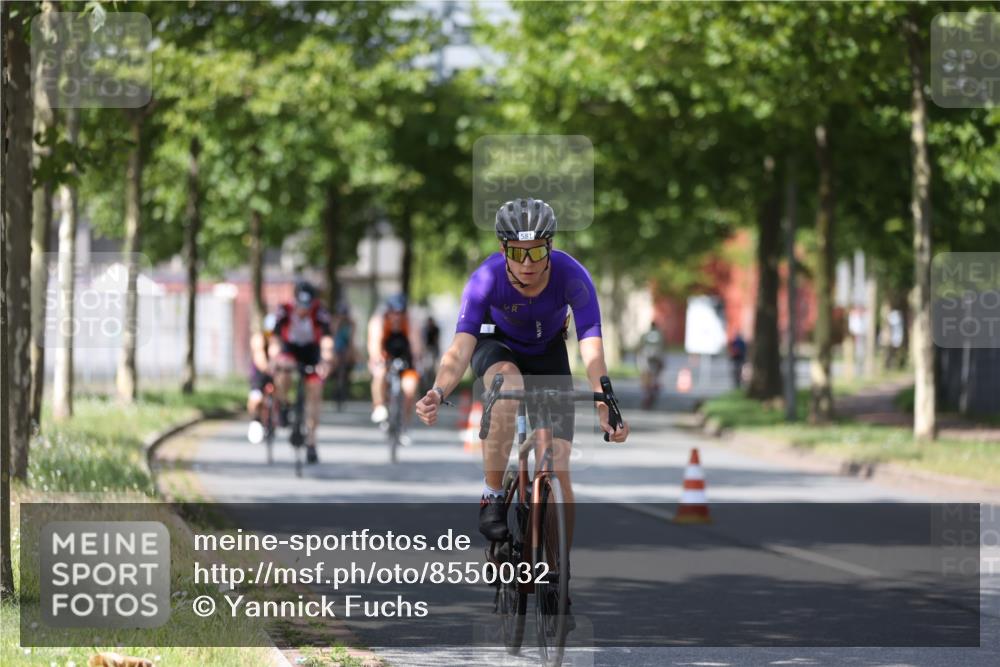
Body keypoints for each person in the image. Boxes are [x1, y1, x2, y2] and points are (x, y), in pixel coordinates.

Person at [415, 197, 630, 545]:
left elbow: (591, 342)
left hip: (548, 351)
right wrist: (439, 391)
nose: (528, 263)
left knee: (559, 469)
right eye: (517, 253)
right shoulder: (485, 278)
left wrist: (605, 399)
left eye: (537, 252)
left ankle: (558, 575)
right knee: (507, 382)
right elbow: (460, 347)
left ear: (550, 247)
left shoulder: (572, 275)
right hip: (496, 344)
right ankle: (493, 494)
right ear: (503, 250)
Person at [271, 280, 335, 464]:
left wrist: (326, 360)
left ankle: (311, 443)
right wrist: (274, 358)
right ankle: (283, 403)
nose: (303, 309)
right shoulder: (284, 310)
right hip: (290, 348)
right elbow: (275, 339)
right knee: (283, 371)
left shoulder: (320, 312)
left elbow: (326, 341)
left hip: (312, 352)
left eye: (307, 305)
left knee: (315, 392)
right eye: (300, 304)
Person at [367, 294, 421, 444]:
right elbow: (374, 344)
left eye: (400, 313)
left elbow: (416, 346)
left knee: (410, 389)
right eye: (393, 313)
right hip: (386, 353)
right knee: (380, 374)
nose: (396, 317)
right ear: (388, 311)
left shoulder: (410, 322)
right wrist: (376, 359)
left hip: (405, 354)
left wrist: (416, 360)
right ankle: (379, 406)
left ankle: (404, 425)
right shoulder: (378, 321)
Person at [247, 313, 280, 444]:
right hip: (258, 374)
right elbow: (259, 358)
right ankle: (255, 419)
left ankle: (276, 415)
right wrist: (268, 368)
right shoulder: (258, 339)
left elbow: (277, 353)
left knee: (280, 392)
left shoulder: (277, 339)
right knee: (256, 399)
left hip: (274, 372)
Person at [636, 322, 664, 409]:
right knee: (654, 377)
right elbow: (662, 348)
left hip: (645, 357)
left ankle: (647, 396)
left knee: (646, 378)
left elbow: (640, 347)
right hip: (656, 358)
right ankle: (651, 394)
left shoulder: (645, 335)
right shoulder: (659, 335)